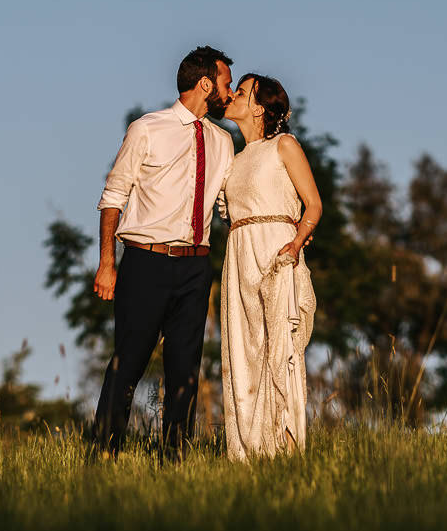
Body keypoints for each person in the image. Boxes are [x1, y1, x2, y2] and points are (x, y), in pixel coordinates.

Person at [90, 46, 235, 459]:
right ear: (205, 84)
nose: (228, 94)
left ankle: (174, 459)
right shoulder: (147, 128)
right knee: (128, 362)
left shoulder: (223, 141)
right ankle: (103, 454)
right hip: (145, 262)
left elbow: (227, 205)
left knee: (185, 370)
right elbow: (113, 196)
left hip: (196, 268)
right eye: (225, 84)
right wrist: (107, 265)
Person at [220, 73, 321, 459]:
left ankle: (285, 448)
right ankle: (245, 454)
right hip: (240, 253)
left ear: (259, 107)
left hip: (276, 250)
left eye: (241, 93)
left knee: (280, 348)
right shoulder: (234, 158)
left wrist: (296, 242)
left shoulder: (284, 145)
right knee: (242, 352)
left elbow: (313, 204)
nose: (232, 97)